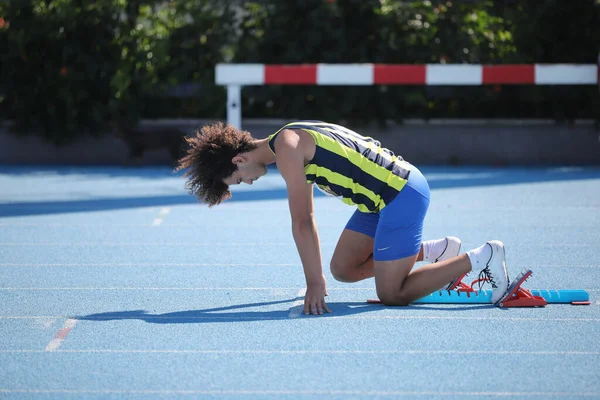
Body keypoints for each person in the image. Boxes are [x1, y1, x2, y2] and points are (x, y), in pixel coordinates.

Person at [176, 120, 510, 315]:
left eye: (238, 180)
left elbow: (303, 221)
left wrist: (314, 284)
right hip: (376, 202)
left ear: (237, 161)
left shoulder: (288, 148)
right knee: (343, 270)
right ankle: (434, 252)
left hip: (400, 194)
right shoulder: (287, 140)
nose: (246, 183)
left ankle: (481, 257)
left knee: (391, 295)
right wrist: (322, 277)